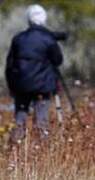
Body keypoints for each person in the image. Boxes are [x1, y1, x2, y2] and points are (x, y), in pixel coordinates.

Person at [5, 4, 67, 142]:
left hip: (21, 86)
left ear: (28, 20)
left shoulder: (18, 39)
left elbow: (9, 65)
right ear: (44, 19)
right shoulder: (48, 39)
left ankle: (15, 149)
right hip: (42, 87)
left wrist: (12, 86)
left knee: (20, 119)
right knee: (41, 120)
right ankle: (42, 150)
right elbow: (58, 60)